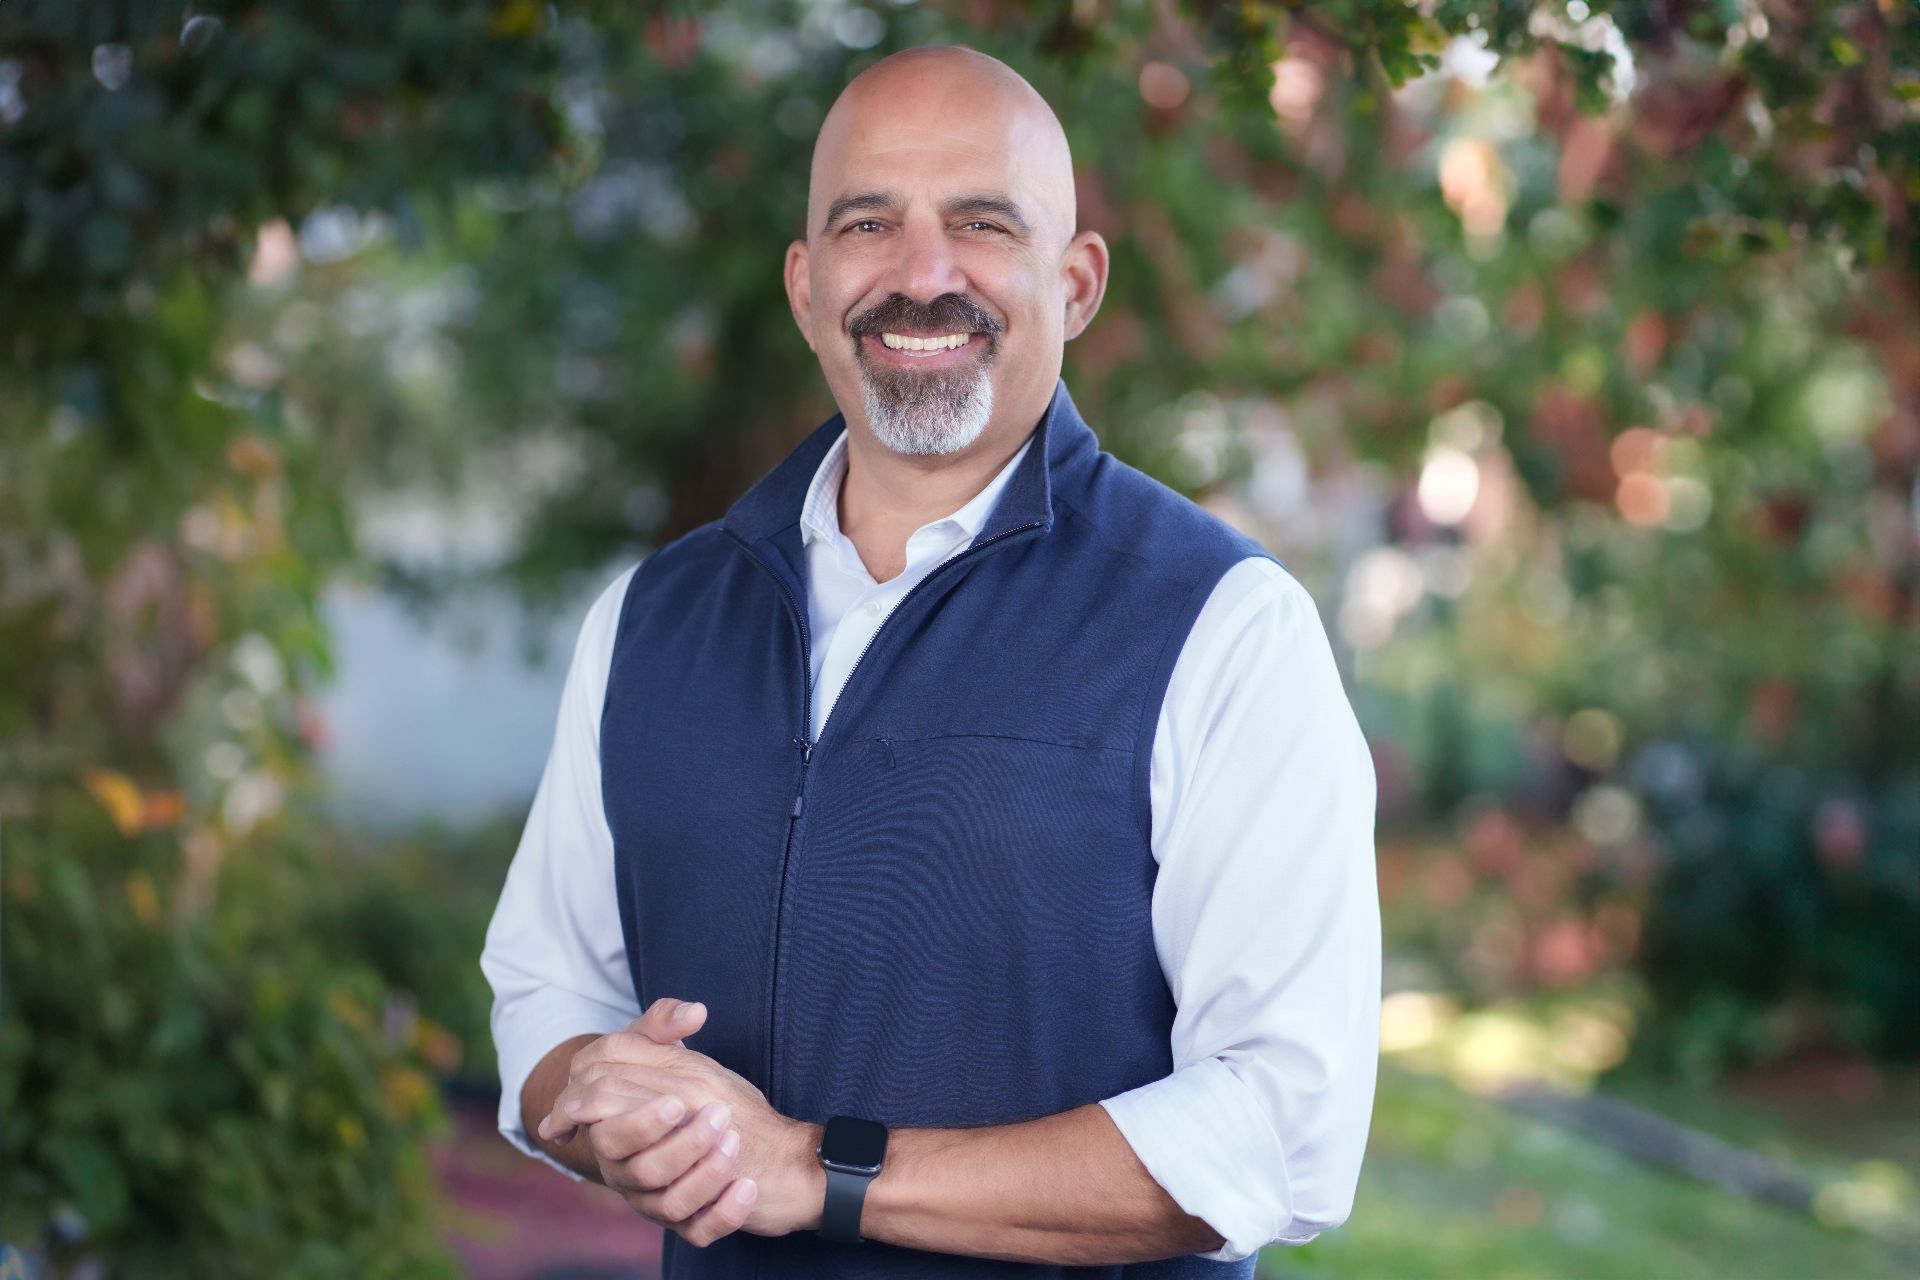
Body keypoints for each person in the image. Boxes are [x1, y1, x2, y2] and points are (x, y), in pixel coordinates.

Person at [480, 42, 1380, 1279]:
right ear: (805, 284)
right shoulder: (651, 616)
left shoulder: (1223, 625)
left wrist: (816, 1166)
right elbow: (542, 986)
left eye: (981, 222)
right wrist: (597, 1095)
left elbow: (1281, 1127)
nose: (921, 275)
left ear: (1075, 283)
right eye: (868, 223)